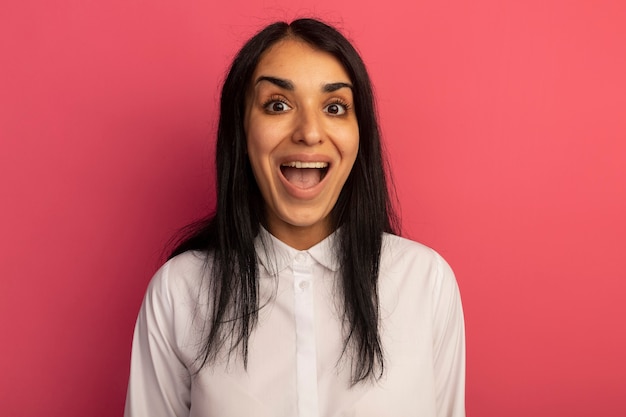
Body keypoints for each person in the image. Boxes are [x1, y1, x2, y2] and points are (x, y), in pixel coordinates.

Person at [124, 18, 465, 417]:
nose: (309, 132)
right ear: (242, 131)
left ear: (360, 134)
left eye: (335, 107)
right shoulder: (178, 292)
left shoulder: (426, 283)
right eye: (278, 105)